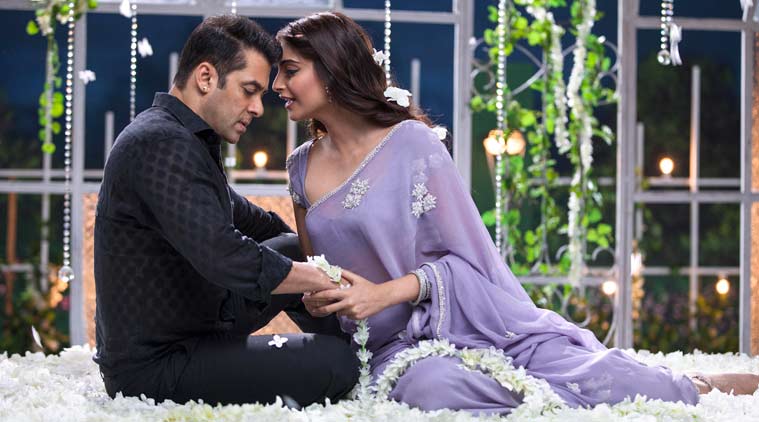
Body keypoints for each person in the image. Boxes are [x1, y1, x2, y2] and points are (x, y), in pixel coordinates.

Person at [275, 12, 759, 415]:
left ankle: (696, 383)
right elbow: (321, 274)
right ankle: (536, 399)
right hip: (389, 350)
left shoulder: (412, 145)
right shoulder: (300, 169)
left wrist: (383, 294)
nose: (278, 85)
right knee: (434, 390)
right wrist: (322, 300)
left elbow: (470, 260)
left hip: (472, 321)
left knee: (613, 378)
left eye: (290, 70)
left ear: (333, 69)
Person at [93, 15, 358, 407]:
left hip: (200, 320)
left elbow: (254, 222)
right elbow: (224, 255)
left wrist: (325, 262)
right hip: (158, 366)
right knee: (336, 363)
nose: (258, 108)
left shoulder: (185, 138)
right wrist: (326, 277)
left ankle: (363, 343)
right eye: (249, 91)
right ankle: (353, 358)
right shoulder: (157, 142)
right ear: (205, 77)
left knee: (291, 247)